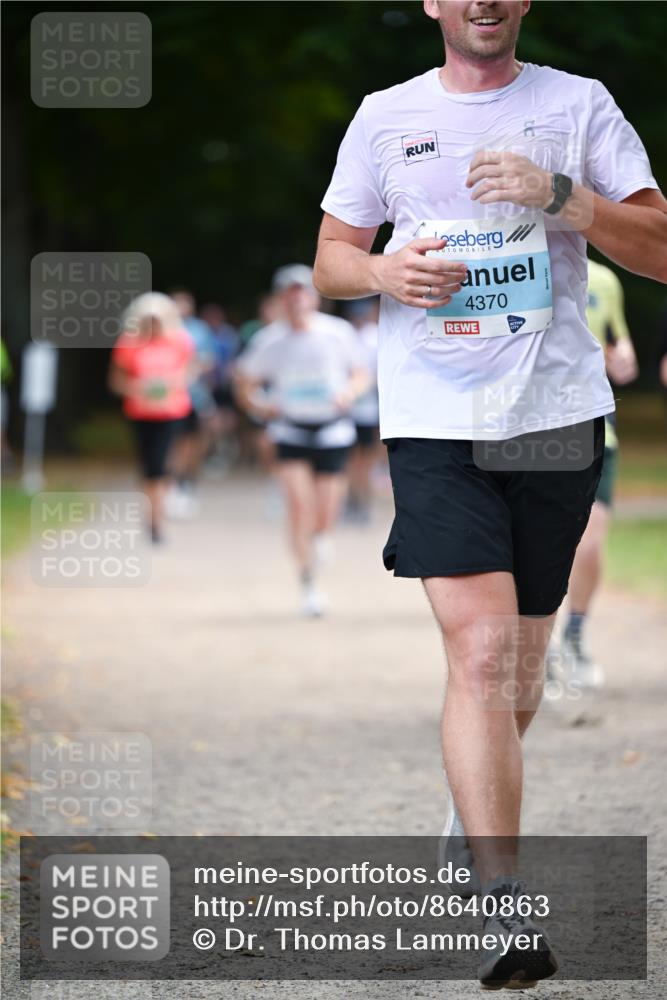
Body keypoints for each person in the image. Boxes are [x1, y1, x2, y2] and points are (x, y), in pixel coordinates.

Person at [313, 0, 666, 988]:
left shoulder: (578, 105)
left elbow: (659, 246)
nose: (481, 2)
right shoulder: (385, 114)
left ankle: (469, 825)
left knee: (515, 671)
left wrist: (565, 196)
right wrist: (381, 268)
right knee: (477, 651)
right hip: (433, 416)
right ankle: (499, 901)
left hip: (554, 416)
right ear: (431, 2)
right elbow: (330, 259)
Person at [235, 265, 369, 617]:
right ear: (281, 299)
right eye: (289, 293)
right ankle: (308, 583)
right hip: (290, 429)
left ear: (315, 297)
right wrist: (262, 406)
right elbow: (244, 383)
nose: (297, 299)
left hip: (332, 429)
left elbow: (361, 373)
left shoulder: (337, 333)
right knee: (299, 506)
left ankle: (322, 536)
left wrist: (349, 393)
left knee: (326, 511)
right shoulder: (269, 340)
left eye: (303, 292)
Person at [555, 259, 639, 689]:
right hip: (514, 429)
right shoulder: (497, 255)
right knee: (522, 548)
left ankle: (572, 637)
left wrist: (622, 359)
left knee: (588, 546)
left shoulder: (604, 279)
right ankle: (531, 646)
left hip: (591, 429)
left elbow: (618, 346)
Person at [108, 293, 194, 543]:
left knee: (160, 465)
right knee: (148, 466)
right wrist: (136, 388)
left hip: (170, 411)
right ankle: (152, 514)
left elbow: (188, 372)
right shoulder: (129, 343)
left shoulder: (179, 341)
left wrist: (173, 383)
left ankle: (157, 518)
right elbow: (116, 380)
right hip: (140, 412)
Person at [168, 289, 217, 516]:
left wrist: (193, 370)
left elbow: (209, 359)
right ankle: (176, 483)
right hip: (170, 397)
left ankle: (189, 481)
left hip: (196, 396)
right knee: (174, 442)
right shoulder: (163, 329)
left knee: (195, 441)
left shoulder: (200, 330)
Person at [344, 297, 382, 523]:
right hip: (363, 409)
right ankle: (360, 505)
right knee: (362, 463)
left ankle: (357, 504)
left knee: (356, 462)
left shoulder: (356, 337)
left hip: (358, 410)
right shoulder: (367, 336)